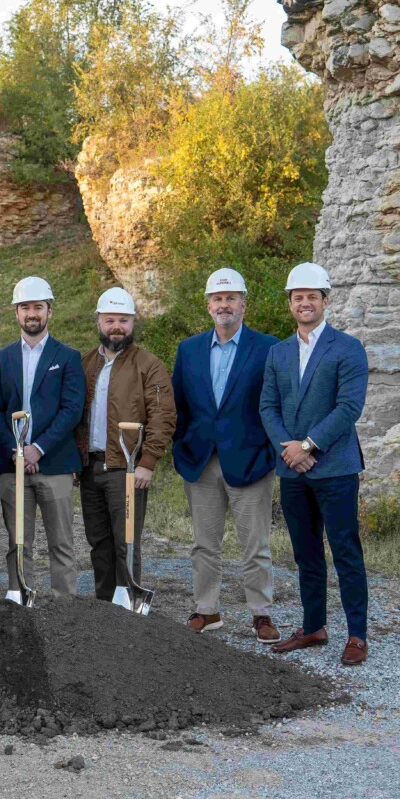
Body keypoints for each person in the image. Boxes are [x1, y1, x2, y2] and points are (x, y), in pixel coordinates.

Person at [259, 262, 371, 666]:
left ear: (325, 299)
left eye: (312, 296)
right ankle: (313, 627)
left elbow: (348, 408)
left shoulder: (347, 347)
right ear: (290, 303)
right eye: (298, 296)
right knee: (306, 553)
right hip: (292, 469)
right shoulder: (278, 352)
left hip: (335, 468)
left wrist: (308, 445)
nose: (305, 302)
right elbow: (267, 406)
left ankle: (356, 634)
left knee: (345, 551)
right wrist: (289, 450)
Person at [171, 268, 283, 642]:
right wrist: (181, 446)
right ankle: (207, 610)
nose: (224, 305)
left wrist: (271, 451)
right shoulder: (188, 350)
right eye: (218, 299)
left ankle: (261, 614)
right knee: (204, 543)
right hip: (201, 461)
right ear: (208, 306)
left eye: (231, 298)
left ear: (243, 304)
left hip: (251, 461)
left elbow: (276, 404)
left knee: (255, 544)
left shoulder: (268, 348)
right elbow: (179, 405)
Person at [0, 276, 86, 598]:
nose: (32, 313)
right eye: (25, 307)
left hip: (54, 463)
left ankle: (64, 606)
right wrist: (16, 451)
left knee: (61, 542)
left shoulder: (67, 357)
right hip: (12, 465)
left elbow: (72, 409)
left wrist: (37, 449)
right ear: (16, 312)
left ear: (49, 311)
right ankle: (19, 597)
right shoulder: (0, 360)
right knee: (18, 541)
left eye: (38, 307)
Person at [75, 287, 176, 602]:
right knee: (98, 540)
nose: (116, 326)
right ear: (99, 322)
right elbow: (75, 415)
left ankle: (129, 602)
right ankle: (106, 605)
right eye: (109, 320)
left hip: (127, 468)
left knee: (126, 540)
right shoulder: (85, 362)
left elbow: (163, 415)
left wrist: (148, 461)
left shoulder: (148, 364)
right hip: (90, 467)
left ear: (133, 322)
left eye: (123, 320)